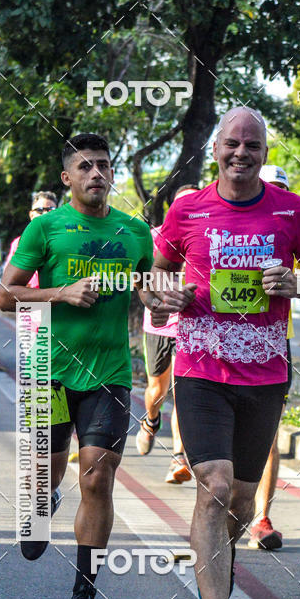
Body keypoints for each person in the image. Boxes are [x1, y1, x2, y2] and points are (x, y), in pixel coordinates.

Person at [149, 107, 300, 599]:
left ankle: (214, 573)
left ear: (264, 153)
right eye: (232, 143)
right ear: (216, 151)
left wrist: (298, 282)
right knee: (214, 483)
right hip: (201, 370)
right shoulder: (187, 209)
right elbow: (154, 275)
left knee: (243, 499)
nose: (241, 153)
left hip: (265, 375)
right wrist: (162, 296)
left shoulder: (291, 210)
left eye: (252, 145)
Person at [0, 133, 153, 599]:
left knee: (97, 476)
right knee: (46, 472)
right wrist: (62, 293)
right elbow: (6, 296)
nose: (95, 174)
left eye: (103, 166)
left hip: (109, 374)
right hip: (50, 372)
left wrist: (161, 298)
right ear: (67, 178)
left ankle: (84, 595)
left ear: (113, 174)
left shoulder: (135, 232)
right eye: (84, 167)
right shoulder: (46, 228)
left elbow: (152, 288)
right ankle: (41, 499)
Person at [136, 185, 199, 485]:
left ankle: (178, 457)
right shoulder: (154, 237)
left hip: (191, 325)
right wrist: (152, 302)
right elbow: (143, 278)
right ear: (172, 209)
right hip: (159, 323)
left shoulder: (206, 235)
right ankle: (151, 420)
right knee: (157, 392)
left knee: (181, 391)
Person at [248, 165, 294, 550]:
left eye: (282, 189)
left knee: (268, 438)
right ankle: (228, 508)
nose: (275, 196)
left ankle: (261, 518)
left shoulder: (293, 221)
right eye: (270, 188)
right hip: (217, 349)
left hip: (275, 346)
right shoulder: (227, 220)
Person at [5, 191, 58, 289]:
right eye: (40, 210)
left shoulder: (65, 240)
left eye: (51, 209)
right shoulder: (18, 242)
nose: (45, 213)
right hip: (31, 300)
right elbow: (8, 279)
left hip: (59, 299)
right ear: (31, 215)